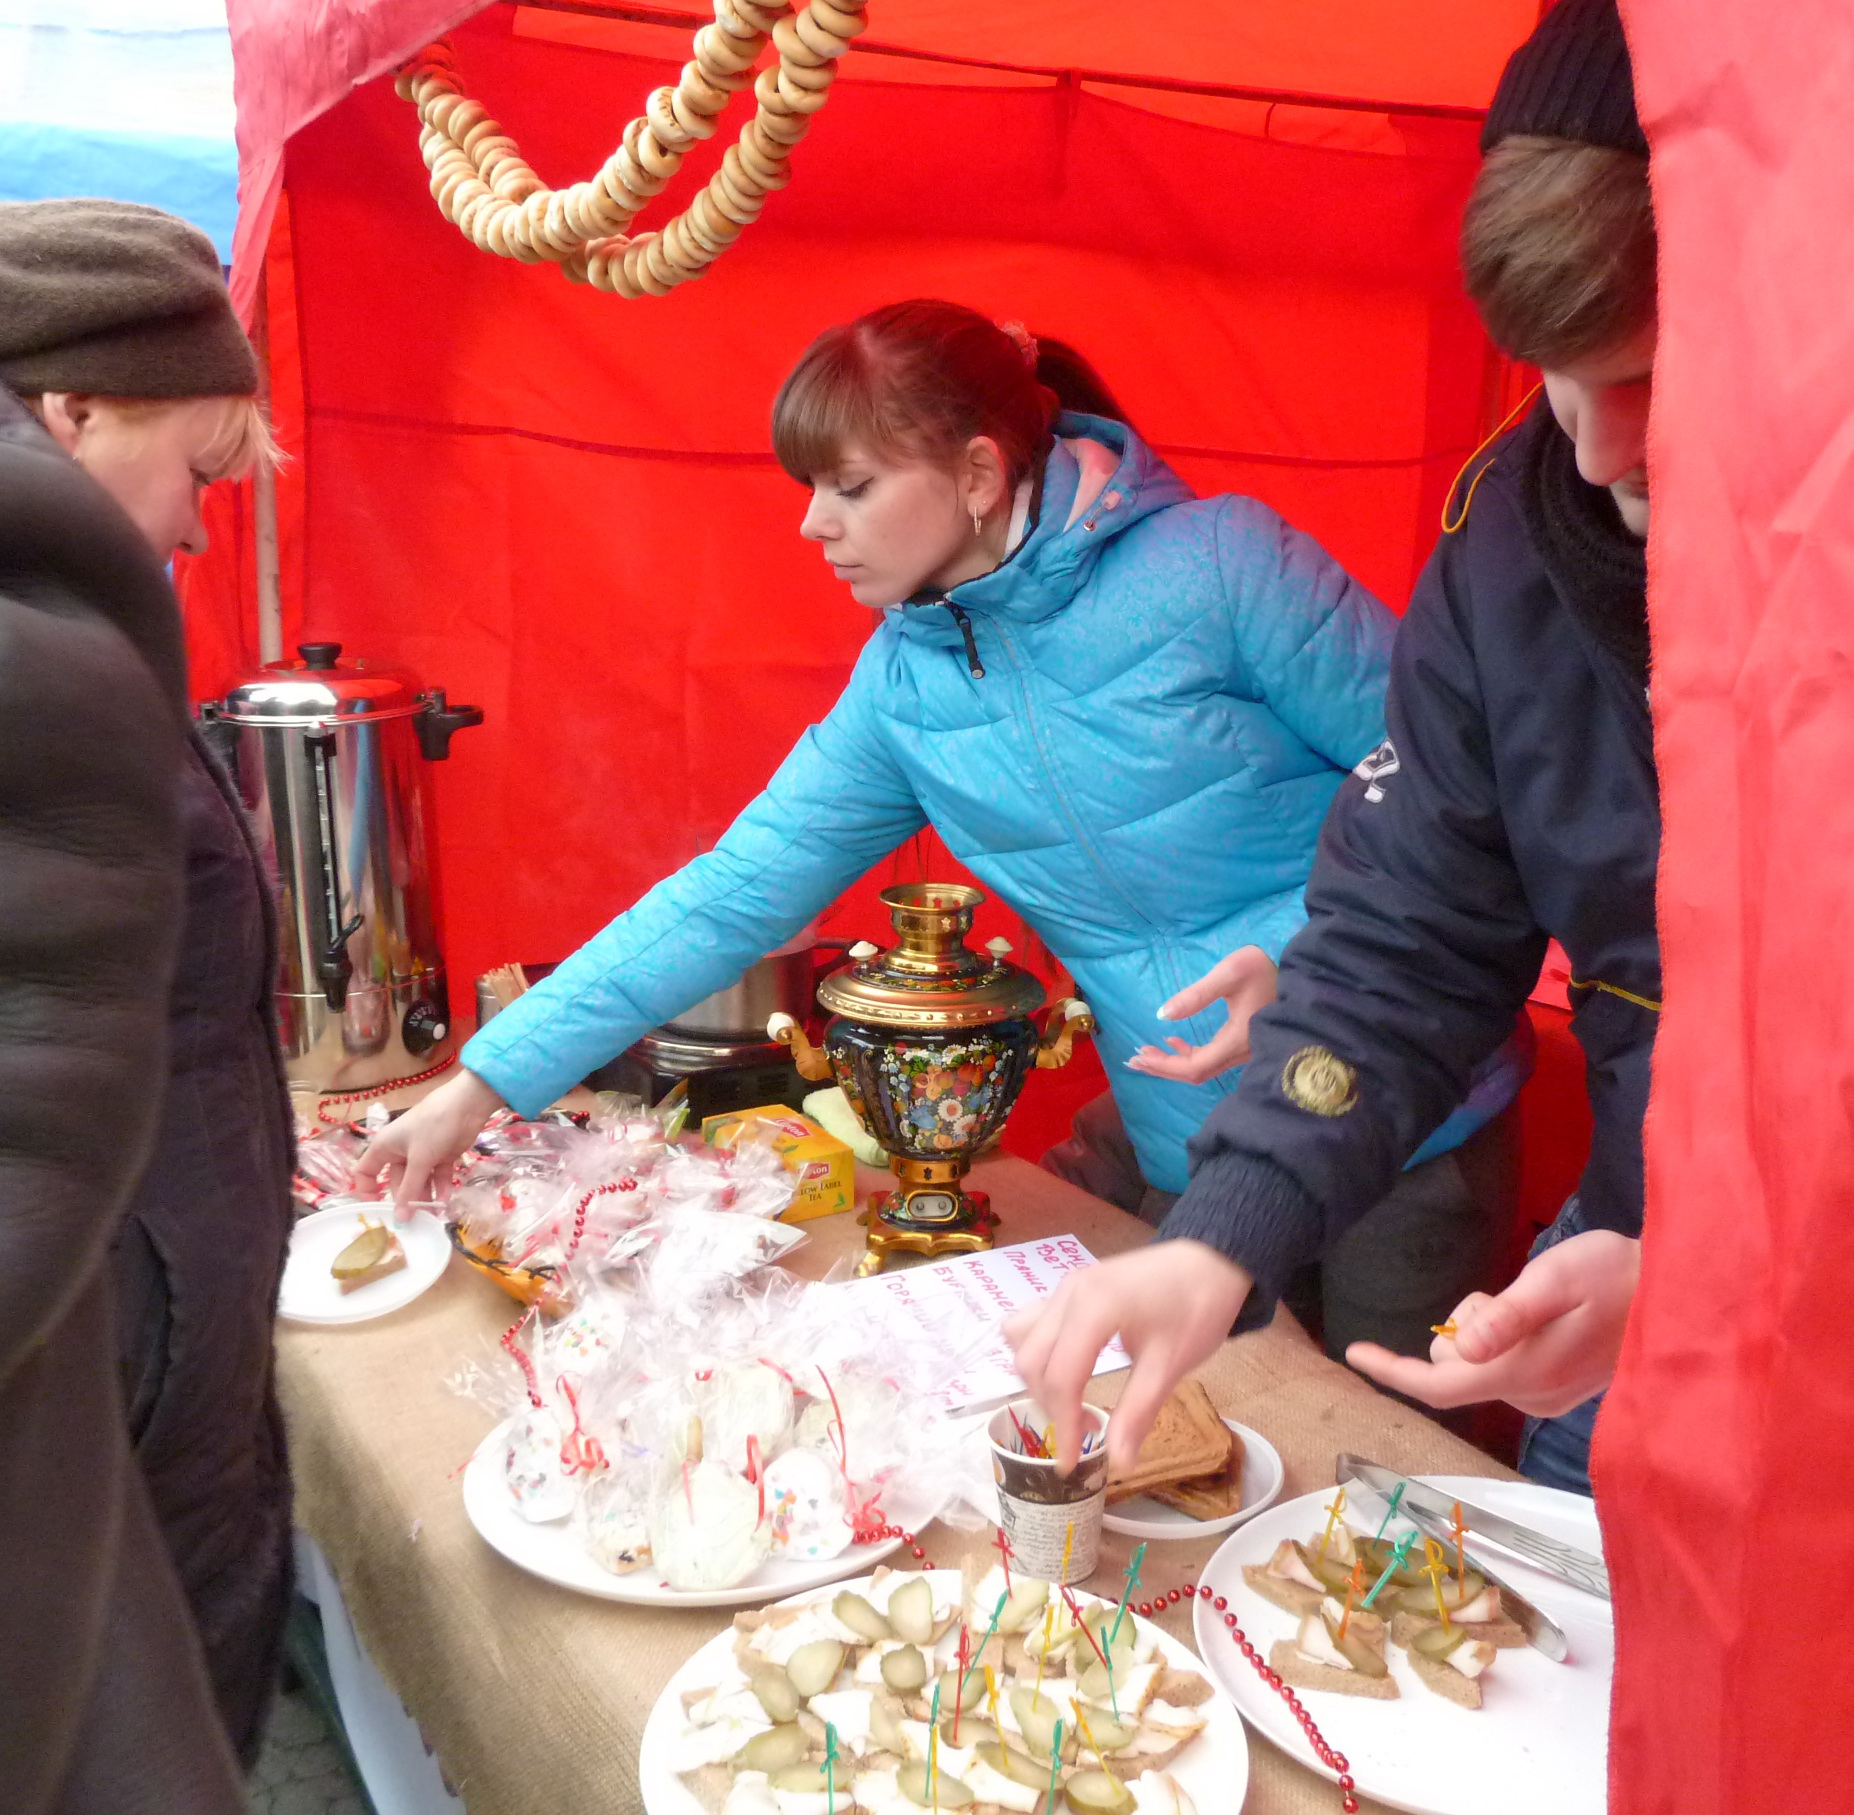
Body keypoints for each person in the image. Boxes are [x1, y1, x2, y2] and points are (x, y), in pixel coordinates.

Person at [362, 299, 1524, 1359]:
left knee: (1397, 1469)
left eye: (851, 486)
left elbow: (1456, 794)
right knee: (1221, 1446)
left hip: (1405, 1123)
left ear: (976, 471)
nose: (812, 524)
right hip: (1199, 1149)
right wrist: (483, 1083)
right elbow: (734, 892)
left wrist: (1303, 965)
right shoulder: (905, 685)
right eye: (809, 487)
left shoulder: (1221, 566)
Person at [1008, 0, 1657, 1497]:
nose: (1600, 450)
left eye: (1645, 374)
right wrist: (1224, 1230)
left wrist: (1725, 1279)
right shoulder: (1510, 535)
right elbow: (1411, 932)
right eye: (1557, 377)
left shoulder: (1220, 560)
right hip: (1628, 1238)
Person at [0, 198, 297, 1764]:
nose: (195, 529)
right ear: (75, 411)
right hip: (125, 1349)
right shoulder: (35, 651)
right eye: (197, 472)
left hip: (155, 1321)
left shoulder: (71, 635)